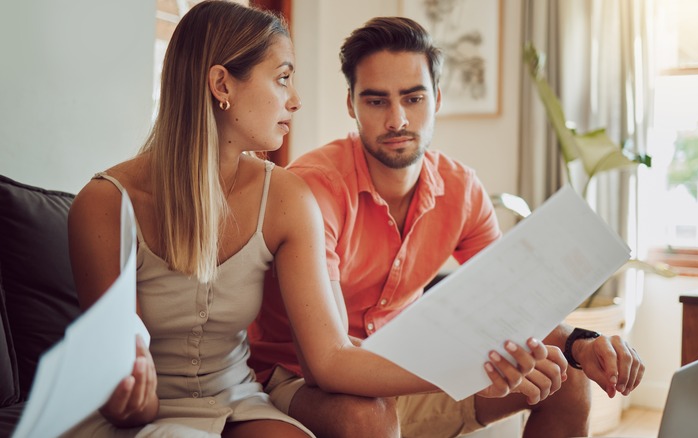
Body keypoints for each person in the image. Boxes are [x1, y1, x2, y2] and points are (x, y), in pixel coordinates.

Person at [66, 2, 547, 437]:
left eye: (414, 98)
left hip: (238, 401)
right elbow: (115, 383)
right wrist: (131, 400)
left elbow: (332, 359)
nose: (295, 100)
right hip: (158, 411)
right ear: (221, 85)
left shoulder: (284, 196)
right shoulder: (104, 204)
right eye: (282, 78)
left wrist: (485, 359)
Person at [248, 16, 646, 438]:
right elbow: (327, 366)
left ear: (436, 98)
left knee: (568, 379)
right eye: (376, 100)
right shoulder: (314, 188)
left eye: (413, 98)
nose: (397, 119)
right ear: (352, 104)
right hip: (297, 379)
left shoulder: (462, 190)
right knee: (366, 416)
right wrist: (465, 369)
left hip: (403, 370)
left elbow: (510, 303)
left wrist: (580, 343)